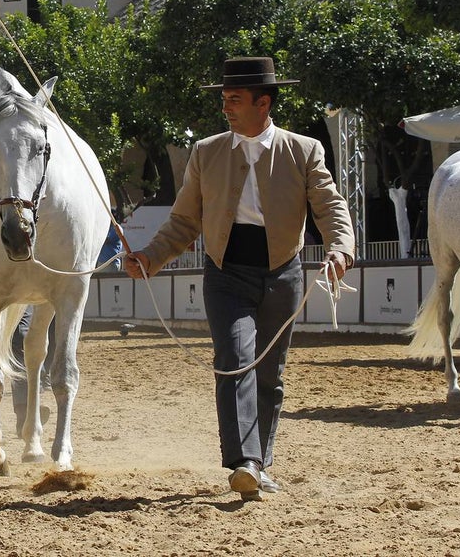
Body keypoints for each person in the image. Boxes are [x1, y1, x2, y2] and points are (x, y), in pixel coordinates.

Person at [124, 57, 354, 501]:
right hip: (226, 274)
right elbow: (184, 221)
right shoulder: (206, 152)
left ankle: (260, 464)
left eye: (234, 99)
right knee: (234, 359)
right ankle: (243, 463)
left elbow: (330, 205)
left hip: (284, 273)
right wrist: (149, 258)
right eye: (225, 99)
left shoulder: (305, 150)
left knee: (270, 373)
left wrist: (340, 247)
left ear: (262, 102)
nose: (225, 107)